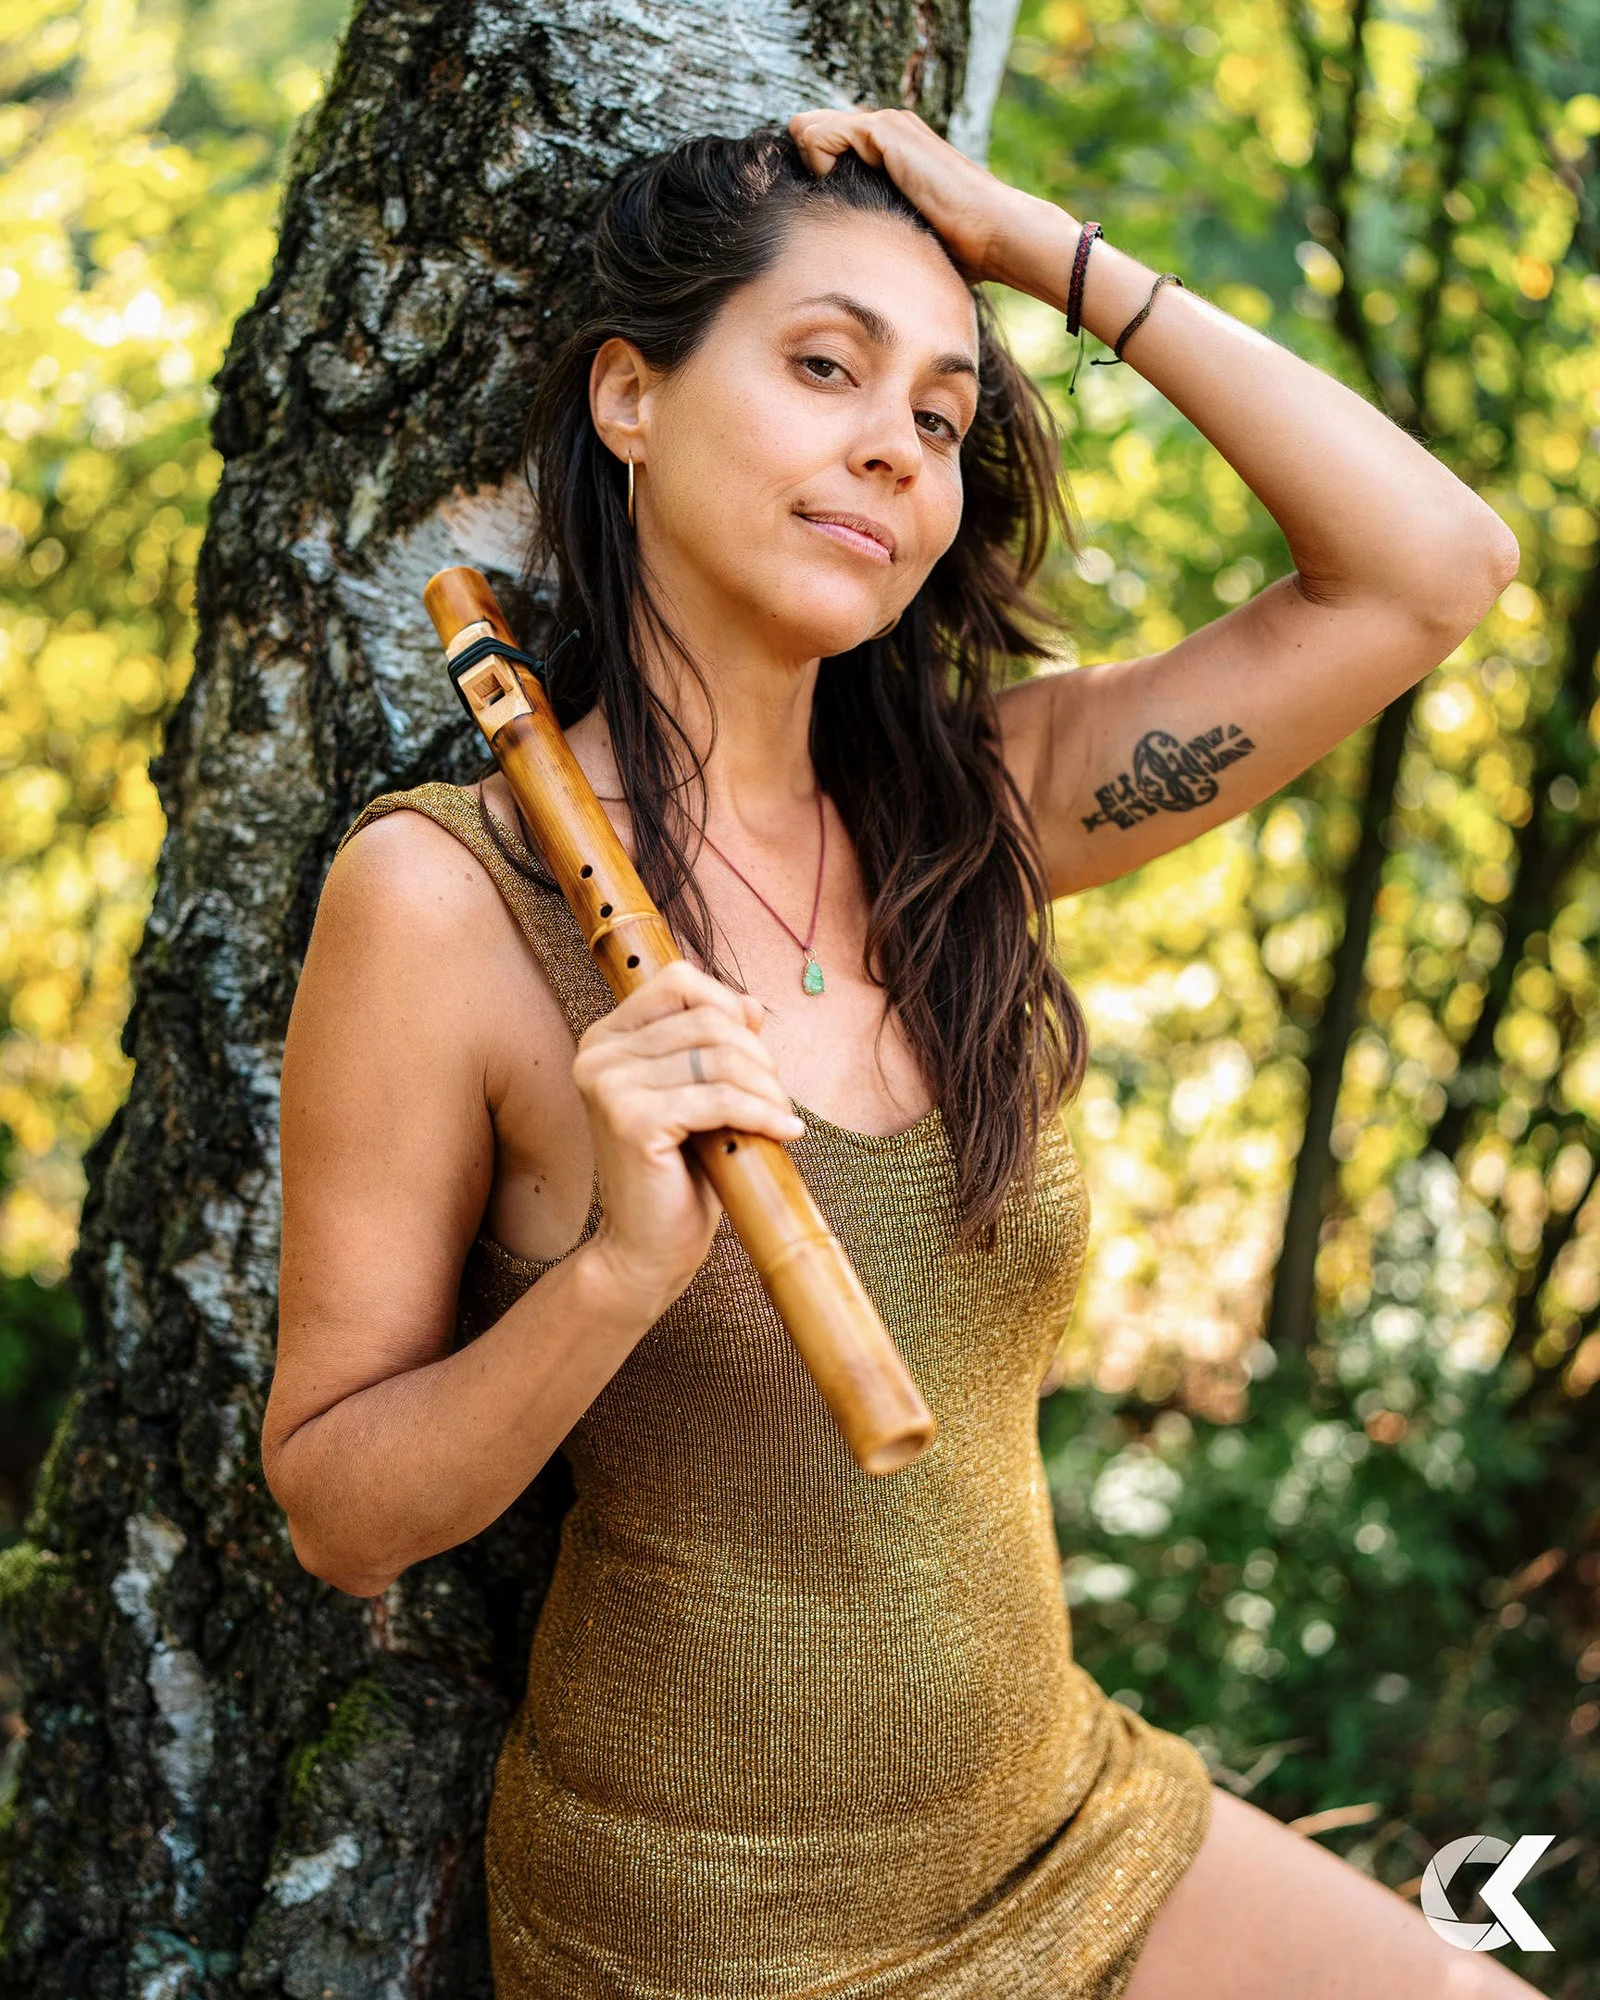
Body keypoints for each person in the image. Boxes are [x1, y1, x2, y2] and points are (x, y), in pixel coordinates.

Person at [261, 109, 1534, 2000]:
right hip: (718, 1923)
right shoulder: (447, 900)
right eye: (826, 364)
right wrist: (618, 1268)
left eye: (941, 417)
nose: (891, 441)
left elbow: (1428, 568)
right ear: (631, 394)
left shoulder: (981, 815)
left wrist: (1037, 249)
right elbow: (339, 1508)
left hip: (1056, 1811)